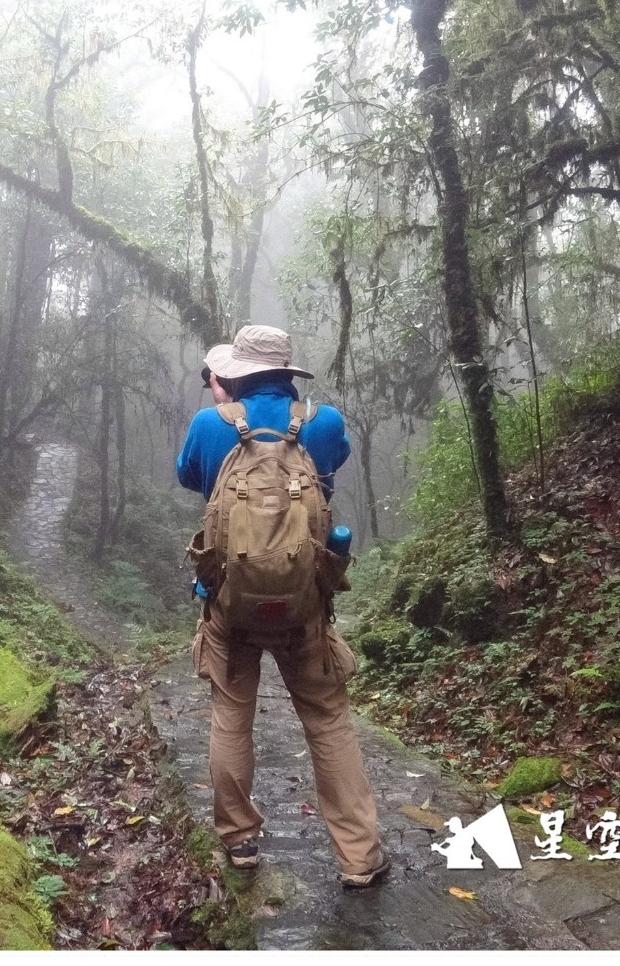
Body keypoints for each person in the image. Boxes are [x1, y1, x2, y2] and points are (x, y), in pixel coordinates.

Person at [174, 324, 389, 888]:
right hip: (305, 607)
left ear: (239, 372)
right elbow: (331, 468)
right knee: (328, 721)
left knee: (231, 715)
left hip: (230, 603)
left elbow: (189, 477)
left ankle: (240, 839)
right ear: (290, 372)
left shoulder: (208, 425)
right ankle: (359, 857)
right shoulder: (323, 422)